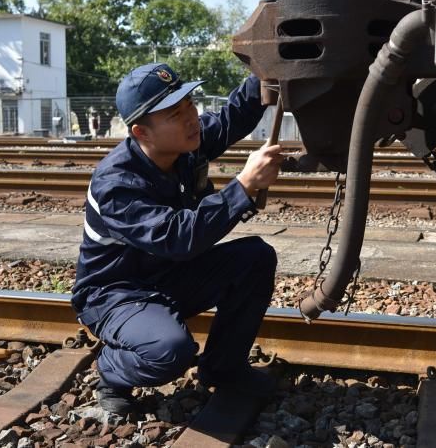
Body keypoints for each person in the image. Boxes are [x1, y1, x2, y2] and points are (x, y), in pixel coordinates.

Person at [71, 63, 284, 414]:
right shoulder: (116, 184)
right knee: (170, 351)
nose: (192, 118)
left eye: (189, 105)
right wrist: (244, 185)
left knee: (255, 258)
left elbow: (234, 116)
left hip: (168, 276)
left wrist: (267, 71)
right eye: (175, 113)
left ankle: (224, 369)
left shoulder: (184, 146)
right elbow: (178, 238)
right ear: (143, 132)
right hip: (116, 293)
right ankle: (110, 369)